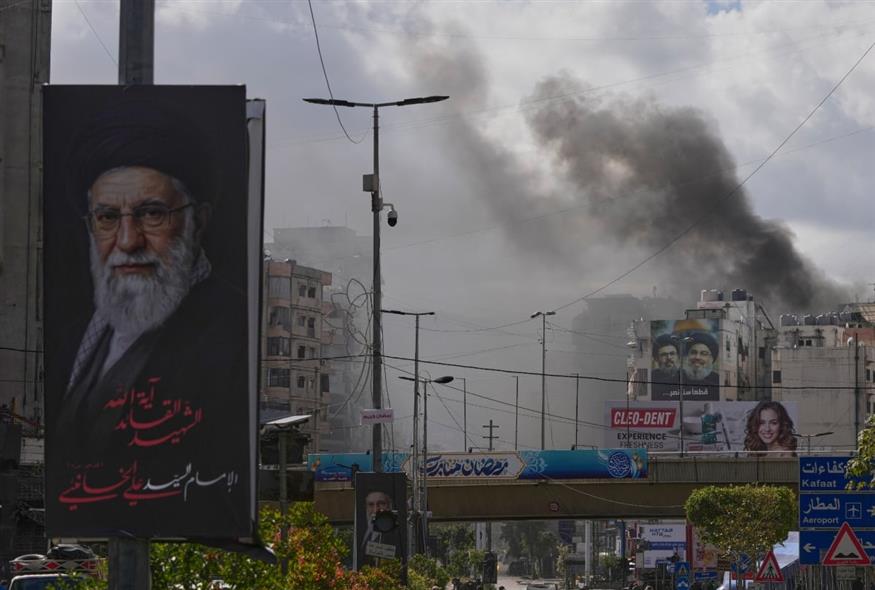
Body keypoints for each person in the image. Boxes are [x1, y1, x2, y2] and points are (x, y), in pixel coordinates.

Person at [44, 90, 251, 538]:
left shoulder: (233, 335)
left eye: (152, 214)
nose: (127, 240)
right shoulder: (77, 336)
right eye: (106, 218)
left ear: (199, 220)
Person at [360, 490, 397, 564]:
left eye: (381, 503)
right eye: (371, 504)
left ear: (389, 506)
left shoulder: (394, 533)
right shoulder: (365, 531)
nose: (375, 510)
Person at [651, 334, 680, 400]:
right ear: (656, 358)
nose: (669, 358)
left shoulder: (686, 377)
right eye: (664, 355)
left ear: (678, 356)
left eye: (672, 353)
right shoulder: (650, 379)